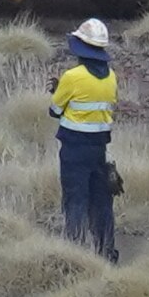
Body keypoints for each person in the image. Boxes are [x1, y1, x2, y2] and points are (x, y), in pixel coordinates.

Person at [51, 17, 118, 261]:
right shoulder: (111, 76)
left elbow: (55, 110)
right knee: (101, 202)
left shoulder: (71, 77)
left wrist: (58, 91)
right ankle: (106, 251)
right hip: (99, 149)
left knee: (75, 200)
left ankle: (74, 254)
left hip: (74, 150)